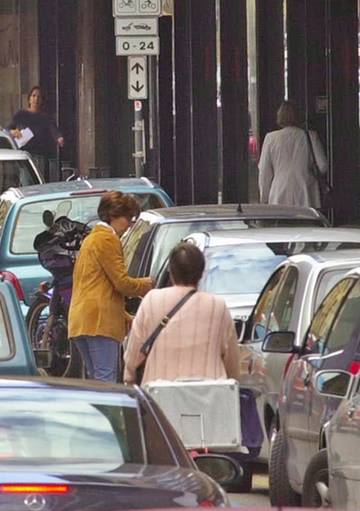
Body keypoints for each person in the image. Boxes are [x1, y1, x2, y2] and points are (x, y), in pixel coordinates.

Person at [123, 242, 239, 385]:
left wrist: (129, 376)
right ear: (201, 273)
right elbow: (231, 359)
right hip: (209, 396)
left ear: (171, 273)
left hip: (160, 393)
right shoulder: (217, 306)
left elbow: (135, 350)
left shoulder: (152, 301)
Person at [68, 191, 154, 382]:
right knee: (106, 382)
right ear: (114, 215)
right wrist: (147, 284)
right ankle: (109, 413)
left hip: (81, 320)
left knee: (96, 380)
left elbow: (96, 285)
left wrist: (124, 316)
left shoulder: (90, 239)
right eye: (128, 218)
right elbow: (121, 283)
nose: (130, 225)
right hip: (99, 322)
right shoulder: (108, 239)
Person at [258, 101, 328, 208]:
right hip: (306, 191)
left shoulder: (270, 138)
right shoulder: (311, 136)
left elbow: (264, 170)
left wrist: (264, 197)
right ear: (300, 115)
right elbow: (323, 166)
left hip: (279, 191)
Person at [7, 86, 64, 172]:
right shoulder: (21, 114)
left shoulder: (46, 117)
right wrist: (13, 132)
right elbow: (7, 130)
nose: (36, 99)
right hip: (24, 155)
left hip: (40, 156)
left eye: (39, 97)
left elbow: (54, 131)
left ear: (42, 100)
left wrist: (59, 138)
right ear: (29, 99)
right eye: (33, 96)